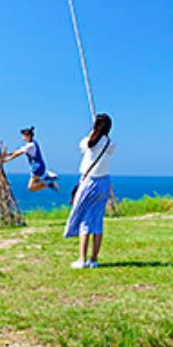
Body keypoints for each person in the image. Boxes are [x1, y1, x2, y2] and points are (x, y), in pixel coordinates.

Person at [64, 113, 115, 269]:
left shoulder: (89, 142)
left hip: (89, 183)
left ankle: (82, 259)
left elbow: (82, 145)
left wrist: (92, 132)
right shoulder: (110, 144)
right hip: (104, 183)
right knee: (97, 220)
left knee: (85, 221)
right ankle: (94, 259)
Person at [2, 126, 59, 191]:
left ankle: (48, 180)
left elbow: (18, 153)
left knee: (31, 187)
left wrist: (7, 159)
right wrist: (7, 154)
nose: (22, 138)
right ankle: (48, 181)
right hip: (39, 167)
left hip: (37, 168)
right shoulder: (32, 143)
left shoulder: (30, 145)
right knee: (32, 187)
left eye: (23, 136)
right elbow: (17, 151)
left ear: (28, 136)